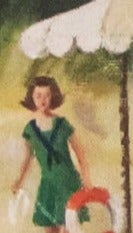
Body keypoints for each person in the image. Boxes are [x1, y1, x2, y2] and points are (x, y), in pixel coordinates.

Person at [12, 79, 86, 233]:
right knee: (49, 229)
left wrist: (87, 180)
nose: (43, 100)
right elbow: (27, 159)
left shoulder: (62, 124)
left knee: (67, 228)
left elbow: (80, 155)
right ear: (31, 98)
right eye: (38, 96)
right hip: (48, 186)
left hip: (68, 183)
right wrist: (19, 181)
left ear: (53, 96)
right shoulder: (30, 129)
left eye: (47, 95)